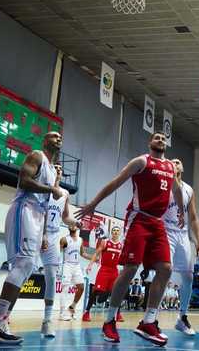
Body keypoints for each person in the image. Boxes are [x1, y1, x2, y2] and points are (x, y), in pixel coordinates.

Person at [75, 131, 185, 347]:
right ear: (150, 142)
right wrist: (94, 203)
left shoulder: (170, 167)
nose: (160, 140)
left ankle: (148, 322)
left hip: (158, 223)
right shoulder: (141, 162)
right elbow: (115, 182)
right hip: (139, 219)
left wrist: (181, 210)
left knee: (165, 269)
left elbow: (177, 189)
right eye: (157, 137)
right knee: (130, 268)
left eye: (163, 138)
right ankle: (109, 321)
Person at [0, 131, 69, 344]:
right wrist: (51, 188)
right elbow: (24, 180)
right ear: (45, 141)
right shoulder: (36, 156)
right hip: (25, 209)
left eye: (60, 137)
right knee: (23, 264)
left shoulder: (51, 169)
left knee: (27, 267)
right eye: (54, 136)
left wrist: (46, 231)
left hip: (38, 216)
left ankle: (1, 321)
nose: (58, 139)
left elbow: (49, 204)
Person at [164, 158, 199, 336]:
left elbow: (194, 217)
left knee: (188, 276)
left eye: (178, 161)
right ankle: (152, 320)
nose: (175, 163)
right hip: (165, 231)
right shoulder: (163, 184)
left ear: (183, 167)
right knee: (164, 272)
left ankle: (182, 317)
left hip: (183, 235)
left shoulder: (189, 189)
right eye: (172, 161)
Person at [38, 165, 71, 337]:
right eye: (55, 167)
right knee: (22, 272)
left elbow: (65, 217)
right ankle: (4, 316)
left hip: (54, 235)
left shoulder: (65, 193)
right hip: (36, 231)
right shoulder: (42, 187)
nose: (58, 169)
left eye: (61, 168)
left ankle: (47, 321)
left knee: (51, 277)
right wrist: (42, 234)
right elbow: (41, 212)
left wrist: (75, 222)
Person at [83, 226, 124, 323]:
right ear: (111, 233)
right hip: (104, 270)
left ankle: (118, 314)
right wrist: (90, 265)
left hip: (114, 271)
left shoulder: (121, 245)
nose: (115, 232)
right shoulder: (105, 242)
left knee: (116, 293)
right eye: (114, 230)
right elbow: (96, 253)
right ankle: (86, 312)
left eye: (117, 231)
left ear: (119, 233)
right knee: (96, 291)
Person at [58, 223, 92, 321]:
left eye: (74, 225)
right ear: (68, 227)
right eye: (70, 224)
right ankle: (62, 313)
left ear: (77, 228)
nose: (72, 226)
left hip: (77, 266)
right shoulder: (64, 239)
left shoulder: (80, 240)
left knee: (81, 287)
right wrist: (58, 265)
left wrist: (93, 258)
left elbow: (83, 253)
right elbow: (59, 252)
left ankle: (72, 307)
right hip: (67, 265)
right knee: (65, 288)